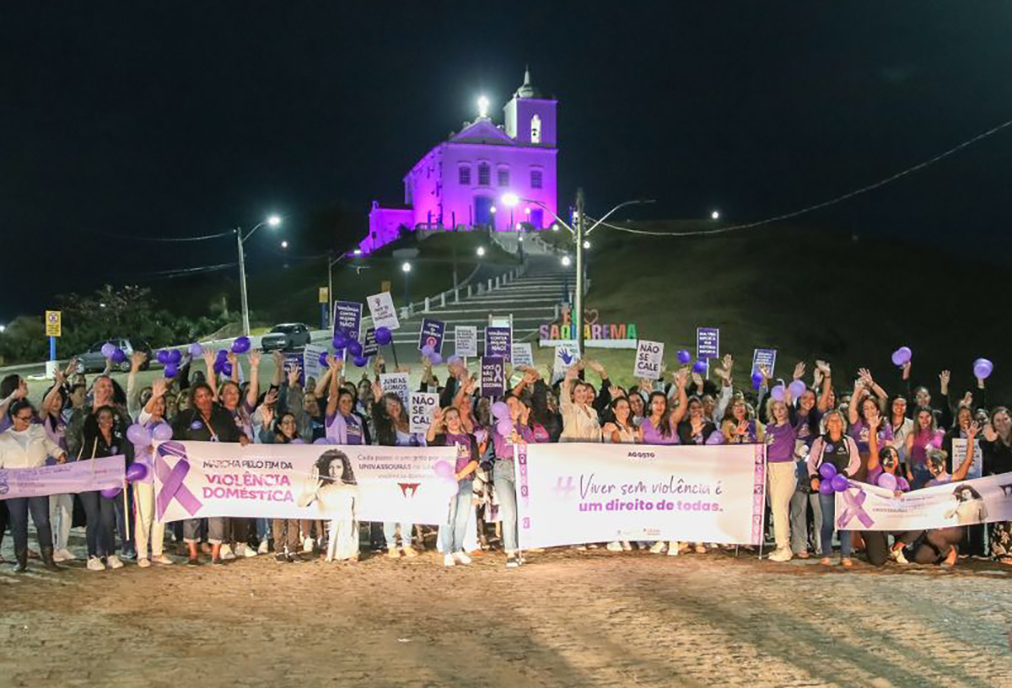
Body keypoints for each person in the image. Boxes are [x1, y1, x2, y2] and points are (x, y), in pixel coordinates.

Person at [170, 382, 243, 565]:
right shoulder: (185, 417)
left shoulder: (222, 414)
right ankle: (193, 554)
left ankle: (216, 553)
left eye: (206, 395)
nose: (204, 399)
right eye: (200, 396)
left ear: (212, 395)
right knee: (192, 511)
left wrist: (241, 437)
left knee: (216, 510)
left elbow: (233, 434)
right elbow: (173, 439)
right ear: (194, 400)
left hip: (218, 471)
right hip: (193, 470)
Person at [0, 400, 67, 572]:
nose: (28, 421)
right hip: (15, 486)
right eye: (24, 418)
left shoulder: (38, 430)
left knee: (43, 521)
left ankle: (49, 559)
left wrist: (59, 454)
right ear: (13, 418)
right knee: (18, 522)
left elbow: (49, 446)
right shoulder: (4, 438)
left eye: (30, 417)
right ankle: (21, 560)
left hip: (38, 482)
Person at [371, 380, 425, 558]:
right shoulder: (385, 425)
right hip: (390, 471)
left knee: (408, 506)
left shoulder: (411, 422)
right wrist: (378, 401)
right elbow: (377, 416)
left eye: (396, 404)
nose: (394, 407)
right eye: (389, 405)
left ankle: (407, 543)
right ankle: (391, 544)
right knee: (390, 507)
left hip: (411, 471)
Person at [427, 406, 481, 566]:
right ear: (445, 421)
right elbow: (429, 441)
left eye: (455, 417)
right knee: (448, 517)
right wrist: (434, 423)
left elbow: (475, 461)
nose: (454, 421)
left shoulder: (470, 439)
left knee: (462, 518)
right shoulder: (442, 438)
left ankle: (458, 549)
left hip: (465, 481)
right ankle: (447, 551)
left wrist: (460, 475)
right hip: (448, 484)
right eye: (449, 418)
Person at [807, 410, 861, 567]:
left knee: (845, 521)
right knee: (828, 521)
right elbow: (812, 462)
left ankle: (845, 554)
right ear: (826, 424)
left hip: (844, 485)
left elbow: (856, 462)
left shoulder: (848, 441)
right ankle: (826, 554)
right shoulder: (820, 442)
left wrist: (845, 474)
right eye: (831, 421)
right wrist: (813, 477)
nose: (835, 423)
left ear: (842, 423)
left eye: (838, 420)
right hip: (825, 486)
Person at [78, 405, 128, 571]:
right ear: (97, 421)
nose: (106, 421)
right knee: (93, 518)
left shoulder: (117, 439)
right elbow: (87, 428)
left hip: (107, 484)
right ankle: (92, 556)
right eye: (102, 417)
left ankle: (111, 554)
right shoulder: (92, 438)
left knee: (108, 519)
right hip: (89, 482)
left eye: (109, 417)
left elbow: (121, 461)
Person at [132, 378, 174, 568]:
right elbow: (144, 414)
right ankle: (142, 553)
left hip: (161, 475)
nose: (159, 406)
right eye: (156, 403)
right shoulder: (142, 422)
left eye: (161, 403)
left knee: (160, 515)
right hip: (144, 474)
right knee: (144, 514)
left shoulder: (165, 424)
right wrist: (156, 395)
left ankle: (157, 551)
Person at [492, 395, 534, 568]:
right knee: (509, 511)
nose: (512, 407)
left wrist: (520, 436)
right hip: (503, 468)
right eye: (509, 405)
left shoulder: (524, 428)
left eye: (516, 404)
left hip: (521, 468)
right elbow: (498, 443)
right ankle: (510, 550)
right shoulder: (497, 427)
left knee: (520, 510)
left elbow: (532, 447)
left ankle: (519, 548)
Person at [297, 450, 360, 562]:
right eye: (331, 467)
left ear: (345, 468)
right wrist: (307, 492)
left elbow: (357, 513)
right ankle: (330, 551)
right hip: (329, 533)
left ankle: (352, 552)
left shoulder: (352, 488)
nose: (334, 471)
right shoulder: (322, 488)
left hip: (349, 533)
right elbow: (301, 504)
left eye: (338, 467)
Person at [764, 393, 798, 562]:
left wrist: (789, 401)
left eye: (782, 408)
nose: (779, 412)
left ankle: (785, 547)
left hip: (785, 468)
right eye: (775, 409)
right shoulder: (769, 428)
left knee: (779, 507)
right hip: (770, 469)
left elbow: (795, 415)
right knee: (776, 509)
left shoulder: (790, 427)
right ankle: (780, 545)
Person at [981, 406, 1012, 564]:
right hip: (1000, 492)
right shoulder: (990, 442)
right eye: (998, 420)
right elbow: (989, 465)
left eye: (1005, 419)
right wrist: (990, 443)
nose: (1002, 423)